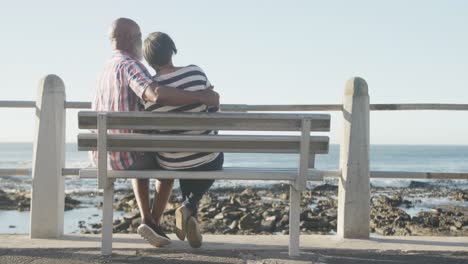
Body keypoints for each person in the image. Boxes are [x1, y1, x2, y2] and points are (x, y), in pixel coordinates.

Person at [91, 18, 220, 248]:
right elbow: (155, 94)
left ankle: (153, 220)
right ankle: (163, 216)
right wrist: (202, 97)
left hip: (104, 155)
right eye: (139, 37)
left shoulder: (104, 68)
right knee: (170, 162)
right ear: (131, 39)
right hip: (129, 156)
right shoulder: (131, 65)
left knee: (165, 154)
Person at [141, 32, 223, 248]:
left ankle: (191, 218)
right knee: (213, 157)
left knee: (186, 160)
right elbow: (214, 105)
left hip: (171, 161)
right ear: (172, 50)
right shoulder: (195, 73)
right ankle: (189, 206)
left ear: (148, 61)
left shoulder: (149, 89)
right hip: (205, 156)